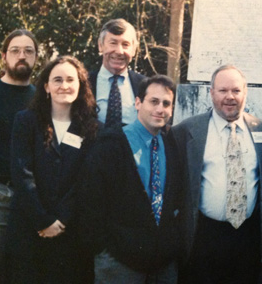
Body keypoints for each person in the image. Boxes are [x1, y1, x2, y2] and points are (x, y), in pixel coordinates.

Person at [79, 75, 184, 283]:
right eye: (153, 101)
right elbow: (90, 201)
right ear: (138, 103)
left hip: (162, 265)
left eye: (166, 103)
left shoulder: (171, 145)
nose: (160, 109)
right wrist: (103, 250)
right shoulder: (111, 144)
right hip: (119, 264)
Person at [170, 65, 262, 284]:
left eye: (236, 90)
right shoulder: (186, 131)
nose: (230, 97)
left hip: (248, 238)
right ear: (211, 92)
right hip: (204, 237)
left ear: (245, 92)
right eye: (223, 90)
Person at [7, 56, 99, 283]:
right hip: (30, 228)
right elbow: (21, 173)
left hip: (70, 233)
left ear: (80, 86)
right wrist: (43, 220)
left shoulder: (91, 128)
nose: (64, 85)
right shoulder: (26, 121)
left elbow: (86, 180)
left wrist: (61, 220)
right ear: (46, 87)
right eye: (57, 80)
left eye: (70, 79)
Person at [0, 29, 38, 283]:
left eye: (28, 51)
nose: (22, 56)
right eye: (16, 50)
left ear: (36, 57)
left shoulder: (41, 98)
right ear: (4, 56)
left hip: (29, 200)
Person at [89, 18, 145, 127]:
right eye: (113, 43)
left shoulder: (145, 85)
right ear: (101, 46)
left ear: (134, 50)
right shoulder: (84, 83)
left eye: (125, 44)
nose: (119, 51)